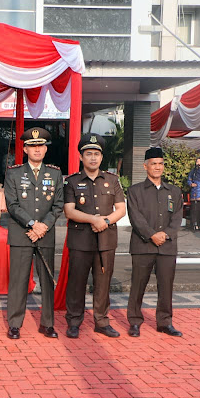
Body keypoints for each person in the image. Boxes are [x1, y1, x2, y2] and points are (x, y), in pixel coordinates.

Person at [63, 134, 126, 339]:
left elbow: (121, 209)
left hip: (106, 240)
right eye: (88, 154)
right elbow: (69, 211)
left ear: (101, 157)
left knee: (103, 283)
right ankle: (74, 321)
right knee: (76, 283)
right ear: (81, 157)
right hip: (80, 241)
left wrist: (105, 221)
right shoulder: (72, 181)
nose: (93, 158)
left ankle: (101, 321)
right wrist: (94, 219)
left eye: (96, 154)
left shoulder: (112, 180)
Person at [4, 127, 64, 339]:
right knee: (19, 280)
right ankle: (14, 324)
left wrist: (43, 227)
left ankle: (47, 323)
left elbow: (58, 205)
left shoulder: (55, 173)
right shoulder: (14, 173)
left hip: (45, 234)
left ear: (45, 149)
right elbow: (12, 204)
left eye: (41, 146)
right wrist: (32, 224)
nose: (37, 150)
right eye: (32, 146)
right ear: (25, 149)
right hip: (21, 233)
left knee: (46, 280)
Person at [126, 147, 184, 338]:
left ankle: (165, 322)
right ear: (145, 166)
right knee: (138, 285)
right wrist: (152, 235)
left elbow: (177, 218)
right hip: (143, 246)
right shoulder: (135, 191)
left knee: (166, 286)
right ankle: (134, 321)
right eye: (153, 164)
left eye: (160, 164)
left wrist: (165, 234)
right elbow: (136, 218)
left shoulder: (174, 192)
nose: (157, 167)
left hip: (167, 247)